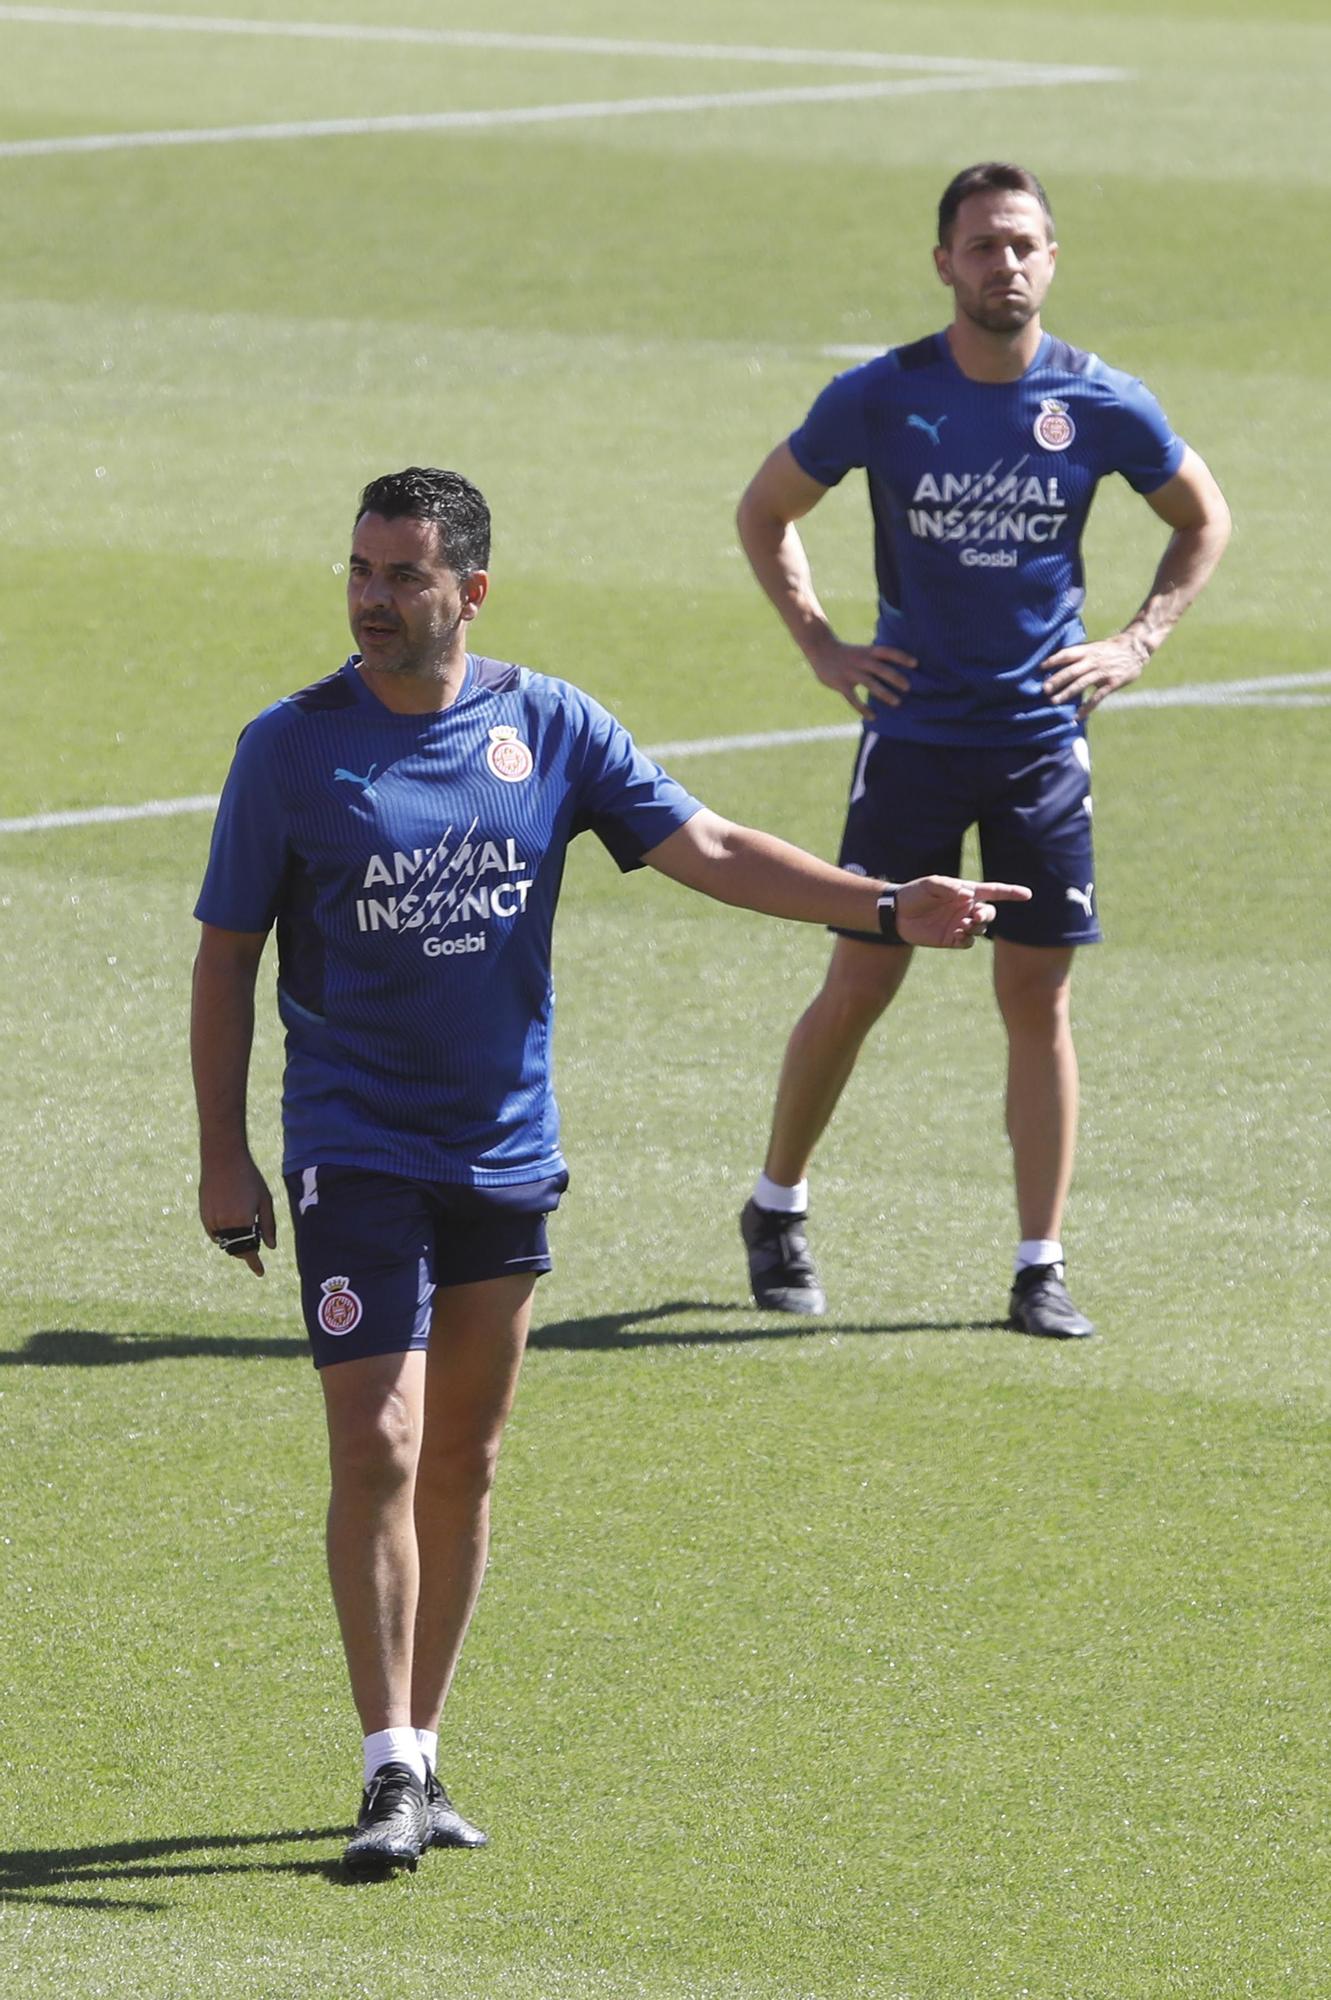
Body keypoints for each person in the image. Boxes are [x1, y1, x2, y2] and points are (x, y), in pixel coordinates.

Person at [190, 466, 1027, 1875]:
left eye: (402, 575)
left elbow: (702, 845)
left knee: (462, 1451)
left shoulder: (547, 724)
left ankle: (431, 1753)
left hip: (504, 1147)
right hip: (354, 1146)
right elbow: (226, 957)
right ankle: (382, 1759)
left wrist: (882, 903)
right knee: (378, 1442)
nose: (372, 600)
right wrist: (224, 1155)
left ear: (470, 589)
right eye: (358, 571)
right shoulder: (289, 750)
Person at [735, 161, 1231, 1340]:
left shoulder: (1102, 402)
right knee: (861, 979)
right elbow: (765, 510)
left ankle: (1036, 1263)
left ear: (1048, 259)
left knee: (1037, 996)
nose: (1002, 264)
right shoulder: (879, 394)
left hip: (1038, 747)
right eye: (980, 245)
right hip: (908, 738)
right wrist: (820, 644)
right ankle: (776, 1202)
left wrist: (1135, 640)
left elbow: (1199, 517)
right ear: (942, 263)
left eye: (1021, 245)